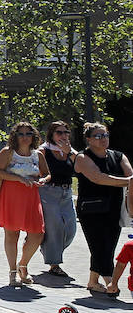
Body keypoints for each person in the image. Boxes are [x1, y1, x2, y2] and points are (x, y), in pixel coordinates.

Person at [73, 122, 132, 297]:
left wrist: (130, 181)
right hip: (91, 210)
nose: (103, 139)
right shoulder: (83, 157)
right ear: (89, 139)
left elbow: (130, 175)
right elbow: (99, 178)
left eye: (105, 135)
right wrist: (128, 182)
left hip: (113, 208)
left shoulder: (118, 156)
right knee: (99, 246)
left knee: (108, 246)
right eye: (98, 136)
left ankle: (92, 281)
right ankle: (110, 283)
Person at [0, 121, 49, 286]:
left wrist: (42, 180)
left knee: (38, 233)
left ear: (34, 136)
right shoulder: (8, 152)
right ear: (15, 136)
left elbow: (46, 174)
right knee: (12, 234)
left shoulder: (37, 154)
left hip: (31, 196)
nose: (25, 137)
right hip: (10, 195)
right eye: (21, 134)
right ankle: (12, 272)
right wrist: (19, 178)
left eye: (28, 134)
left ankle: (22, 265)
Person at [37, 123, 78, 275]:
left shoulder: (70, 151)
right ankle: (54, 264)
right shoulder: (43, 150)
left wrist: (70, 152)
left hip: (66, 193)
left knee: (70, 229)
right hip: (48, 192)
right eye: (59, 132)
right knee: (54, 229)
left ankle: (44, 247)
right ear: (51, 134)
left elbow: (83, 165)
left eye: (66, 132)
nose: (63, 135)